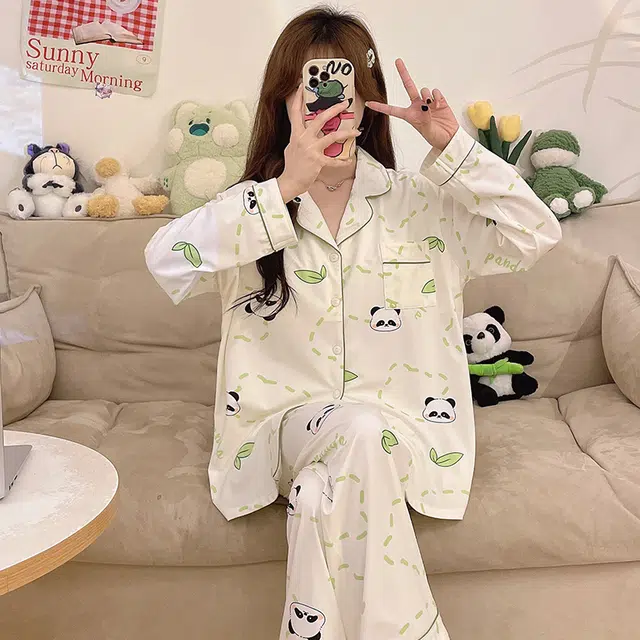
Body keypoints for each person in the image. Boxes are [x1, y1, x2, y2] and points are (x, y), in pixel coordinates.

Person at [145, 6, 562, 639]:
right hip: (281, 434)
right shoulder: (250, 208)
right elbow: (164, 261)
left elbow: (537, 233)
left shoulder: (423, 204)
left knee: (325, 488)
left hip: (406, 437)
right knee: (356, 432)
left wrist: (453, 148)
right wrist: (285, 186)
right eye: (309, 88)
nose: (329, 106)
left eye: (343, 88)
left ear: (367, 102)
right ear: (283, 102)